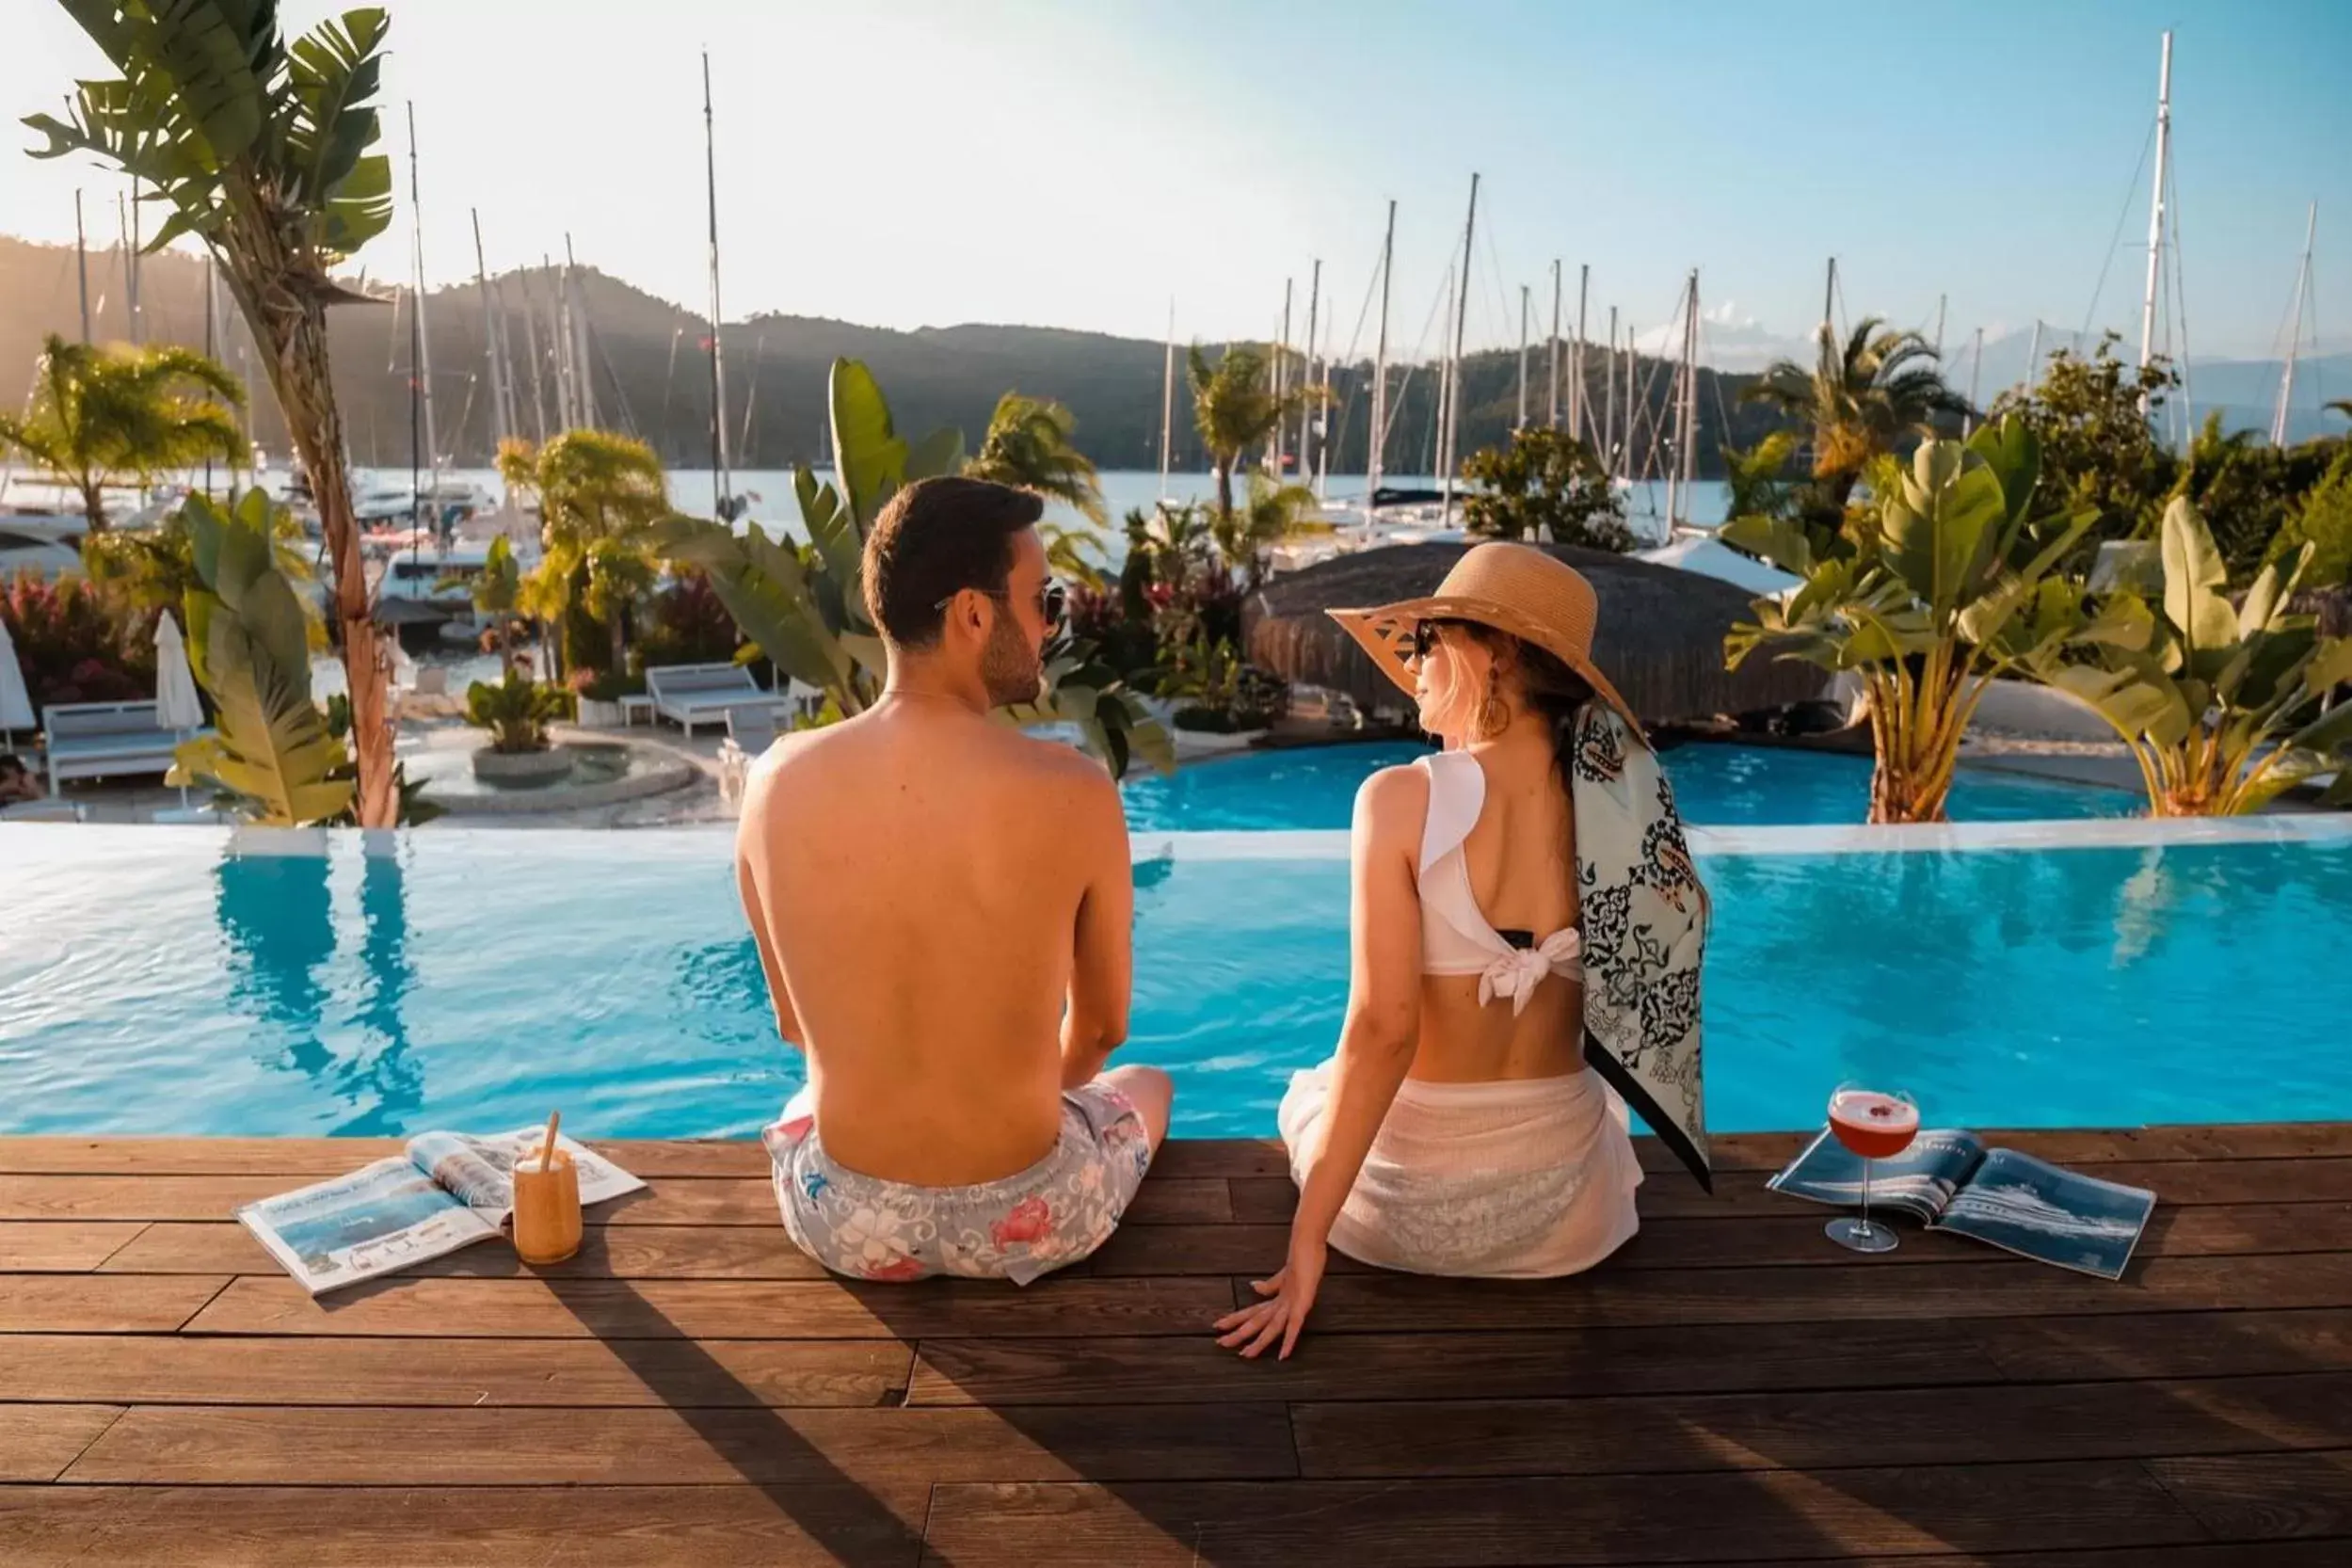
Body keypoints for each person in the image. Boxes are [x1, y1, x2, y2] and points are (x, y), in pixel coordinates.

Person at [1216, 542, 1711, 1359]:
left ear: (1499, 652)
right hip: (1569, 1220)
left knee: (1307, 1094)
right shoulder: (1626, 812)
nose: (1411, 666)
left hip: (1398, 1217)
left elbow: (1382, 1030)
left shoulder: (1400, 800)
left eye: (1427, 642)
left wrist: (1308, 1243)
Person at [735, 474, 1172, 1285]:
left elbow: (795, 1030)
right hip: (1030, 1220)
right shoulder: (1073, 791)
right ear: (974, 613)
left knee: (802, 1110)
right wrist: (1011, 1101)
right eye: (1043, 600)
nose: (1049, 626)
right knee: (1147, 1083)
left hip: (843, 1221)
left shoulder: (774, 782)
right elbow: (1103, 1035)